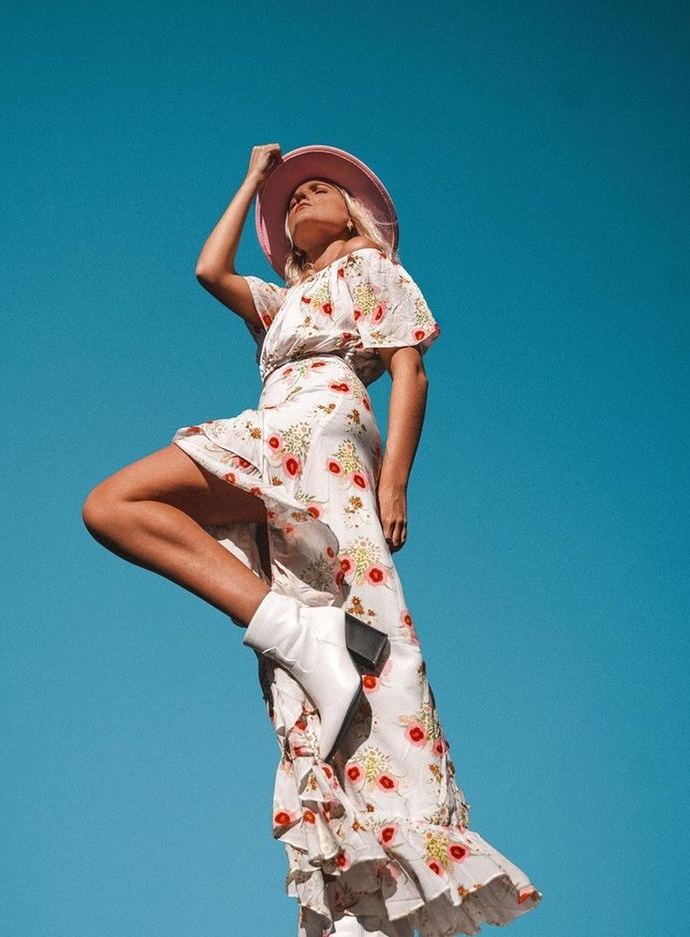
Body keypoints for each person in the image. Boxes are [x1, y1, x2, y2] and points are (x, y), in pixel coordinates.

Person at [81, 144, 543, 937]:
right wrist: (254, 181)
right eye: (291, 200)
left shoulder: (370, 269)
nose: (302, 200)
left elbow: (410, 370)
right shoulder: (284, 298)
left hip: (323, 422)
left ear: (356, 215)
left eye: (319, 190)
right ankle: (310, 642)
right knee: (121, 510)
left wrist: (396, 480)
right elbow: (209, 272)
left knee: (346, 596)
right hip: (280, 418)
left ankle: (385, 841)